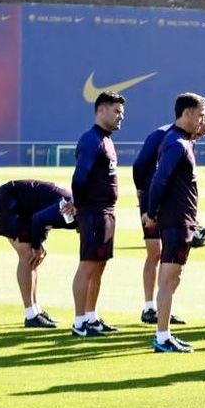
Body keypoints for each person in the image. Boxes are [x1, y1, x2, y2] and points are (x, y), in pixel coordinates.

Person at [143, 93, 205, 353]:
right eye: (200, 114)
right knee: (170, 278)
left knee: (171, 278)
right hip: (176, 220)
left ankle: (164, 334)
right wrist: (152, 211)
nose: (202, 120)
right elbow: (160, 179)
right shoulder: (176, 143)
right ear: (188, 113)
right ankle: (162, 337)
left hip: (181, 218)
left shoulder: (179, 141)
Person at [70, 91, 124, 338]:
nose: (120, 116)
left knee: (99, 265)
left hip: (106, 212)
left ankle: (91, 317)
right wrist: (82, 210)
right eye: (116, 111)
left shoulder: (107, 139)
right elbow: (79, 178)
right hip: (93, 211)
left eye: (122, 112)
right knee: (88, 265)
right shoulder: (91, 140)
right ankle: (79, 321)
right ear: (101, 110)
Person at [0, 180, 76, 327]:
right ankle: (31, 315)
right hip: (8, 199)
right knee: (29, 255)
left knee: (35, 257)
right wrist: (37, 245)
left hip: (27, 208)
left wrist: (40, 242)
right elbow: (40, 218)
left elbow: (43, 214)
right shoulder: (68, 207)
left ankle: (36, 311)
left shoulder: (77, 206)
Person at [132, 121, 173, 325]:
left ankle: (164, 306)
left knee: (170, 255)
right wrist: (142, 193)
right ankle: (149, 307)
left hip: (172, 203)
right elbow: (139, 165)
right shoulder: (160, 135)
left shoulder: (185, 138)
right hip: (151, 198)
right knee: (155, 252)